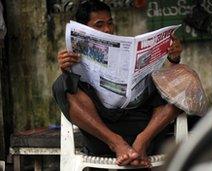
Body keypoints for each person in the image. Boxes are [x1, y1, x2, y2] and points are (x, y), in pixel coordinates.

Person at [52, 0, 183, 168]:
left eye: (110, 23)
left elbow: (169, 88)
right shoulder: (74, 58)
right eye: (99, 25)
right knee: (61, 85)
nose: (107, 29)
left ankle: (140, 143)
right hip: (103, 137)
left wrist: (173, 59)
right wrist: (66, 71)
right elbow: (73, 94)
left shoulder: (126, 49)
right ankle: (117, 143)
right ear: (83, 30)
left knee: (185, 79)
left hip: (147, 129)